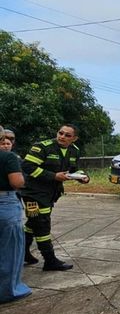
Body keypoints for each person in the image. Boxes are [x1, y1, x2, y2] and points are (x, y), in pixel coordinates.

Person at [21, 124, 89, 271]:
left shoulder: (74, 151)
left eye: (67, 135)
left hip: (50, 194)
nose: (62, 137)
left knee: (33, 223)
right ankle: (49, 260)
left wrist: (82, 177)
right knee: (42, 223)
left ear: (74, 139)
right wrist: (53, 176)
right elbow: (27, 166)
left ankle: (23, 253)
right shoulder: (42, 147)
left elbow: (73, 169)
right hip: (32, 193)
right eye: (60, 133)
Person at [0, 126, 32, 303]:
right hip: (4, 203)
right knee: (10, 250)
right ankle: (9, 291)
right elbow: (17, 182)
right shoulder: (8, 157)